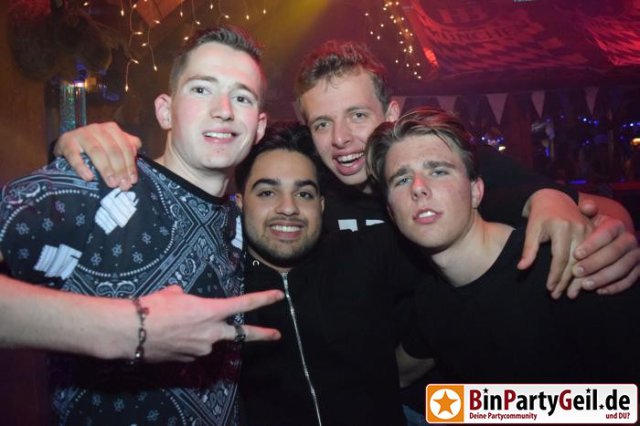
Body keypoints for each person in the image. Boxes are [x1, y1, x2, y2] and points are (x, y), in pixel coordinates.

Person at [55, 41, 638, 301]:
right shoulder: (304, 187)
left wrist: (594, 215)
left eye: (358, 116)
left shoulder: (438, 175)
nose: (341, 140)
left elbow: (556, 202)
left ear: (391, 114)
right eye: (322, 123)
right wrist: (80, 141)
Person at [0, 25, 285, 425]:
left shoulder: (239, 221)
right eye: (201, 89)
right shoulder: (98, 182)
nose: (223, 109)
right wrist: (131, 329)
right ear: (165, 111)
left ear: (258, 126)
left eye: (242, 97)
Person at [367, 106, 640, 382]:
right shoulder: (431, 305)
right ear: (391, 212)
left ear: (476, 191)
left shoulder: (566, 262)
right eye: (402, 179)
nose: (417, 187)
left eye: (438, 171)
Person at [234, 122, 421, 425]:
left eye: (304, 194)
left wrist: (408, 362)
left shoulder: (365, 254)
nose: (288, 208)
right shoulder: (221, 286)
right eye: (267, 192)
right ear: (240, 203)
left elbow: (448, 276)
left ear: (321, 205)